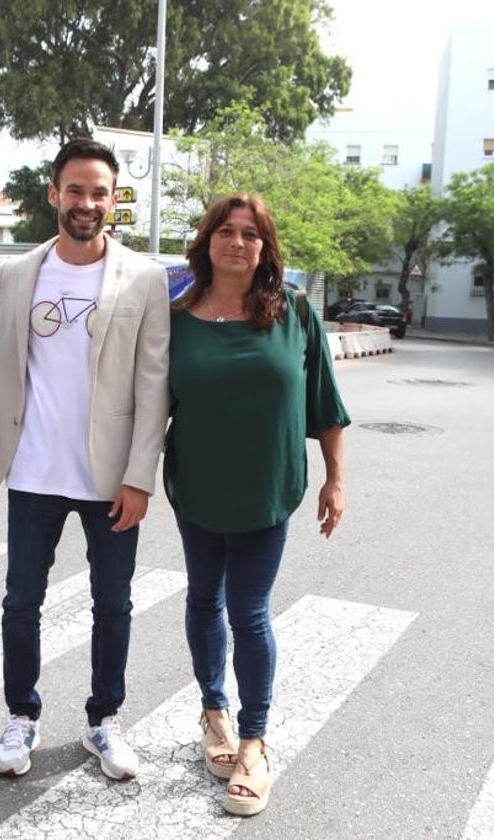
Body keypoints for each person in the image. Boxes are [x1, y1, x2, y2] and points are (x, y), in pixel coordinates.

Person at [0, 138, 170, 782]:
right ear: (54, 194)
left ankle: (104, 722)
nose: (87, 203)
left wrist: (139, 476)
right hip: (34, 472)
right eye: (75, 190)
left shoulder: (146, 277)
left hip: (109, 478)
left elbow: (154, 382)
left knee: (114, 604)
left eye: (99, 192)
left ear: (113, 200)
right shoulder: (20, 273)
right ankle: (21, 715)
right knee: (22, 601)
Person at [164, 193, 349, 817]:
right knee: (201, 599)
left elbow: (324, 403)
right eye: (226, 231)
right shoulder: (176, 317)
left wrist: (335, 480)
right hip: (196, 487)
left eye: (251, 234)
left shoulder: (295, 311)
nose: (237, 243)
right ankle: (212, 712)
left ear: (265, 247)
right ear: (207, 240)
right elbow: (144, 406)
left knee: (250, 611)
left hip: (268, 492)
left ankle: (253, 741)